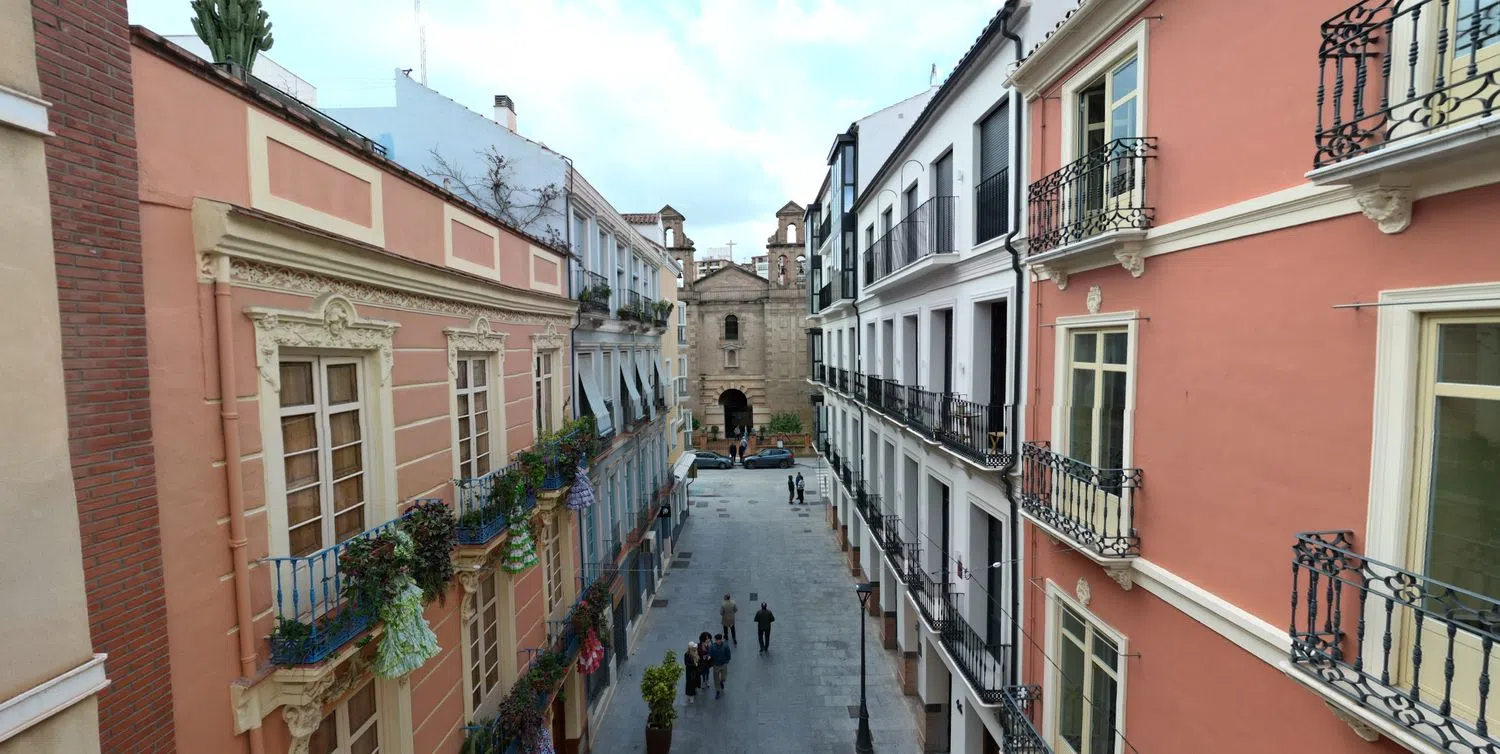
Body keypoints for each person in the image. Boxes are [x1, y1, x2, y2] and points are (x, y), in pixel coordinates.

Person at [709, 633, 732, 698]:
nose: (718, 641)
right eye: (717, 640)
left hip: (723, 664)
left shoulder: (725, 646)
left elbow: (728, 654)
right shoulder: (712, 647)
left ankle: (721, 682)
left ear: (721, 640)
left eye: (719, 640)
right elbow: (710, 654)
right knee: (716, 679)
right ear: (715, 640)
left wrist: (726, 661)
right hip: (716, 665)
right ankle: (718, 691)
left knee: (724, 677)